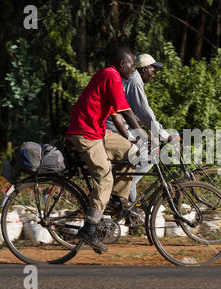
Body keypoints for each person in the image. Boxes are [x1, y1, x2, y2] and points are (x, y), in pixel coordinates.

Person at [65, 47, 148, 252]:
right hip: (85, 133)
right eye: (131, 64)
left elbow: (116, 115)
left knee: (132, 152)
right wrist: (144, 135)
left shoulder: (109, 77)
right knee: (105, 178)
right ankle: (89, 228)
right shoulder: (111, 76)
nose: (133, 68)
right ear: (122, 64)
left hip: (97, 132)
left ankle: (117, 199)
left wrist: (131, 139)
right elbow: (127, 112)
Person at [105, 53, 177, 202]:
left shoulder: (133, 80)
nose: (154, 74)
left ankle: (125, 197)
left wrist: (150, 133)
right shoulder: (135, 81)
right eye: (152, 70)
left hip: (121, 126)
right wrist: (163, 135)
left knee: (144, 151)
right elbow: (145, 113)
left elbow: (137, 114)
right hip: (114, 128)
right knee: (146, 157)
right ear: (144, 69)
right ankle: (124, 197)